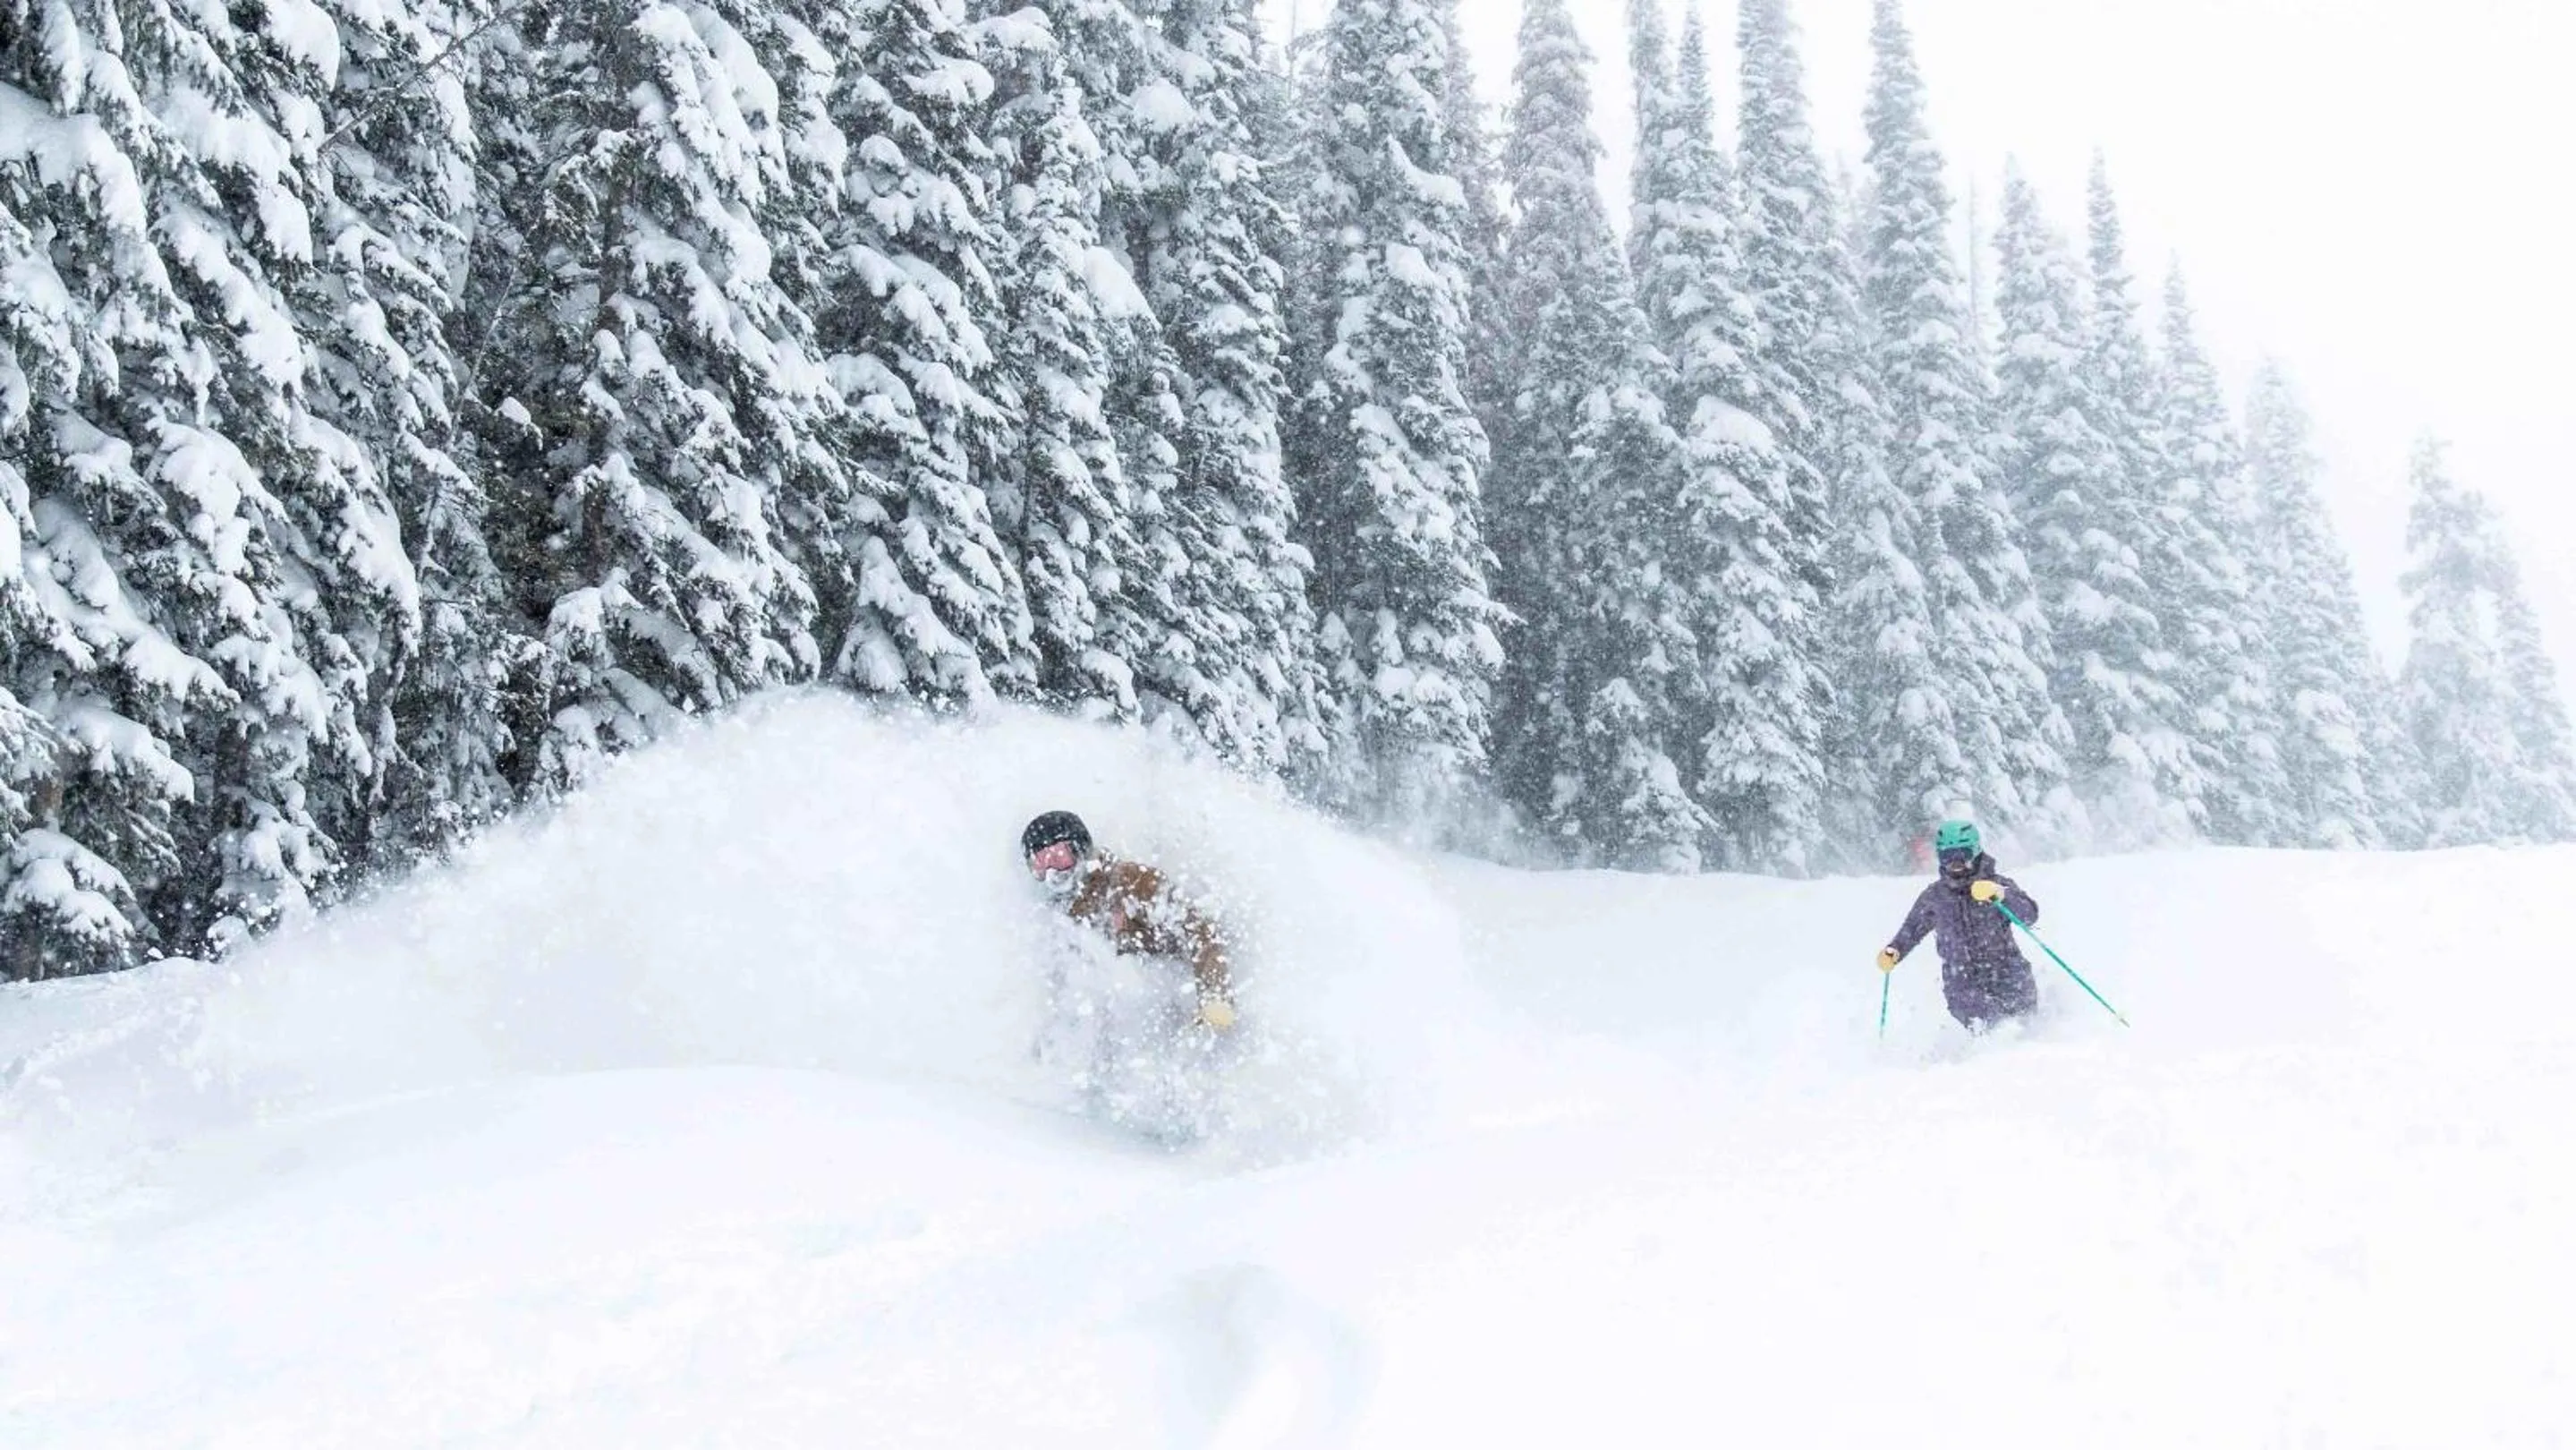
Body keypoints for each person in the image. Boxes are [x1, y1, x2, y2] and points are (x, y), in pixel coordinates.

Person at [1876, 819, 2041, 1032]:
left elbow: (2029, 915)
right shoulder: (1935, 897)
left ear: (1976, 851)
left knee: (2028, 1030)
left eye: (1962, 855)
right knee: (1993, 1028)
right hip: (1963, 983)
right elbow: (1912, 929)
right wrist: (1895, 951)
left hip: (2008, 973)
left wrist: (2001, 895)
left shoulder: (1996, 885)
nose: (1955, 863)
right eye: (1947, 856)